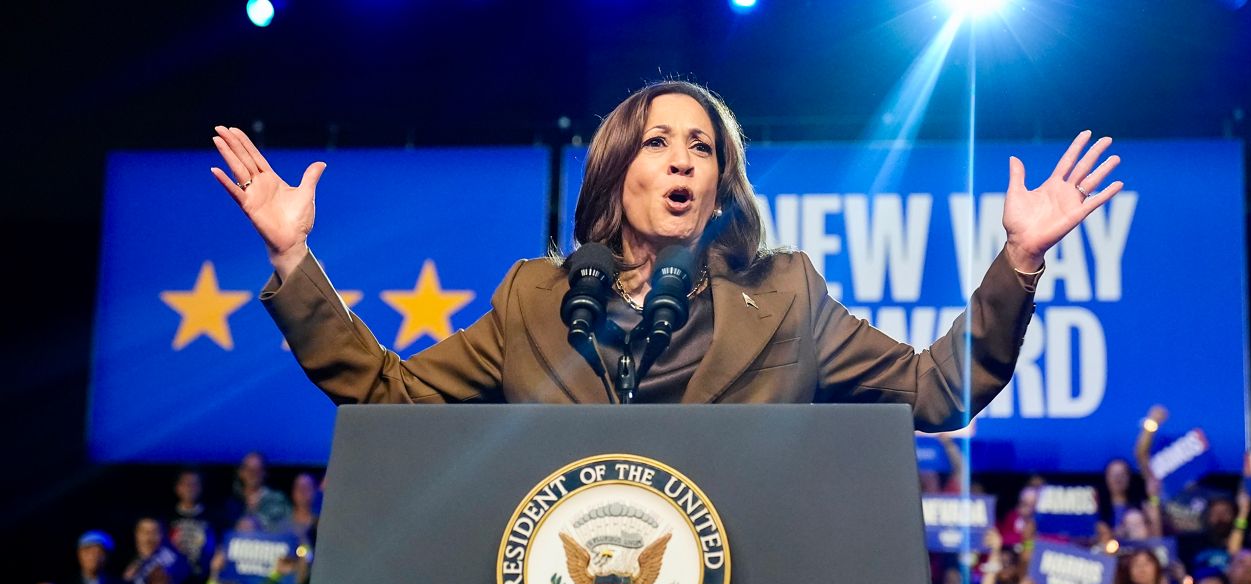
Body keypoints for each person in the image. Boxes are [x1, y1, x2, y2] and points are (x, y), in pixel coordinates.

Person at [210, 80, 1122, 420]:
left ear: (721, 186)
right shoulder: (534, 297)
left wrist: (1020, 263)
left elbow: (935, 389)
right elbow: (390, 394)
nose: (684, 158)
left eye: (704, 148)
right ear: (615, 172)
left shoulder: (788, 293)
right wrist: (296, 263)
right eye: (659, 141)